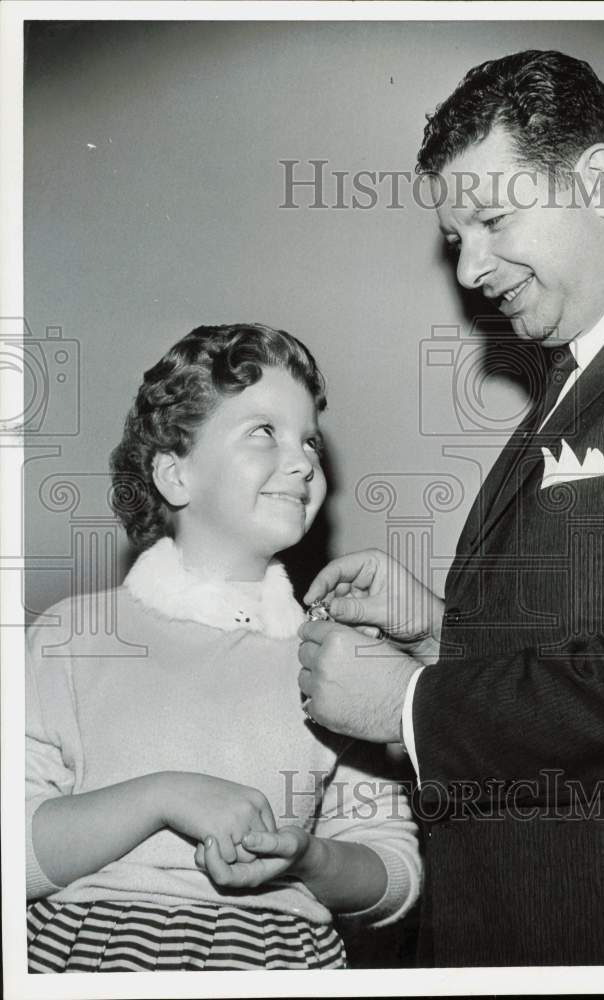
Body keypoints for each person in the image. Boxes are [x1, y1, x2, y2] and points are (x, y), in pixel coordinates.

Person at [297, 50, 604, 965]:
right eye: (456, 240)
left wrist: (411, 704)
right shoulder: (564, 387)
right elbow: (585, 647)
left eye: (491, 218)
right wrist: (441, 633)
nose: (472, 268)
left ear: (597, 182)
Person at [25, 323, 421, 972]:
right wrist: (163, 795)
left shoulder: (336, 660)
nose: (302, 462)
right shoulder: (72, 637)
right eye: (263, 432)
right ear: (176, 475)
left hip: (279, 961)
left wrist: (309, 858)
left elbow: (394, 873)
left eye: (309, 441)